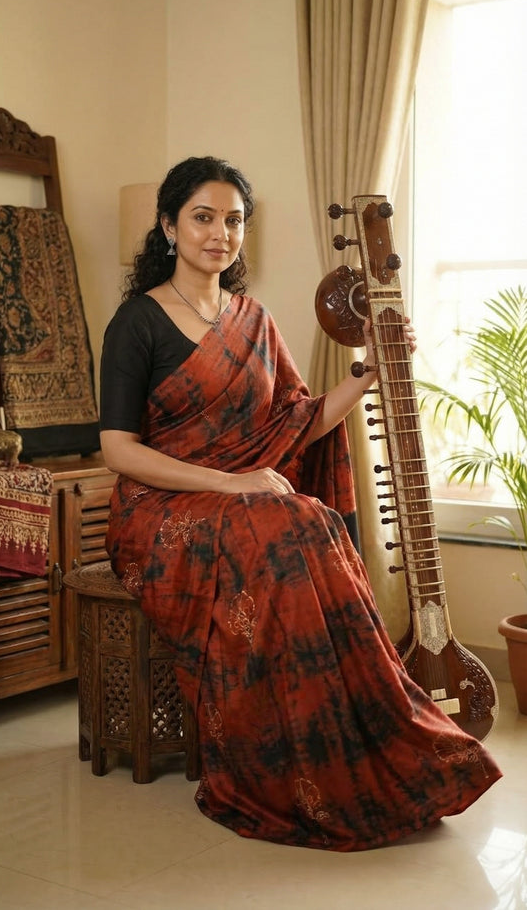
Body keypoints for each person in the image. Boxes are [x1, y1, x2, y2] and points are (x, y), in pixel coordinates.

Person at [100, 156, 501, 852]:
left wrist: (370, 374)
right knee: (282, 529)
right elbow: (118, 450)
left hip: (245, 504)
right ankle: (281, 770)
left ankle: (362, 745)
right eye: (202, 216)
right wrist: (230, 481)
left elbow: (297, 422)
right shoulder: (136, 322)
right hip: (158, 510)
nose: (219, 233)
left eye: (233, 220)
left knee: (307, 520)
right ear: (167, 225)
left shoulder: (253, 319)